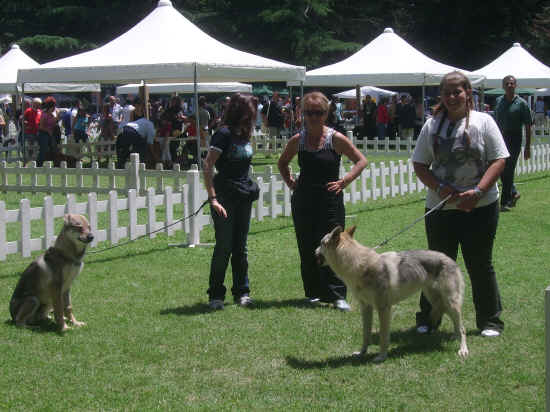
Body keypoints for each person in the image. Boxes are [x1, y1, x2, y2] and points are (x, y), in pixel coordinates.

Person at [412, 71, 509, 338]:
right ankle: (429, 320)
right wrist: (441, 188)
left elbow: (499, 160)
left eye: (458, 91)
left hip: (481, 206)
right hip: (442, 208)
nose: (453, 96)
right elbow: (419, 164)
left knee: (480, 264)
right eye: (447, 92)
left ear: (468, 93)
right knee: (435, 266)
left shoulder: (484, 121)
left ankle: (490, 321)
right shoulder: (431, 126)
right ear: (441, 97)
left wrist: (478, 191)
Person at [278, 91, 367, 310]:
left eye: (318, 113)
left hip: (329, 201)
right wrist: (290, 182)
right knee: (306, 245)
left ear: (326, 113)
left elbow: (361, 160)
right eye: (309, 113)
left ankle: (337, 295)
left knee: (334, 247)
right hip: (304, 200)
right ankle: (313, 293)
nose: (314, 117)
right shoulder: (297, 140)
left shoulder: (335, 138)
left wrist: (344, 181)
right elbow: (282, 163)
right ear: (302, 114)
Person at [203, 93, 259, 310]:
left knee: (241, 247)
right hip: (224, 196)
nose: (254, 114)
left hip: (243, 195)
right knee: (224, 247)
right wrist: (213, 198)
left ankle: (242, 292)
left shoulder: (245, 134)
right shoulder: (223, 134)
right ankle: (216, 295)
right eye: (251, 109)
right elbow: (208, 165)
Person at [494, 75, 532, 211]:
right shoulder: (498, 101)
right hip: (499, 138)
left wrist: (527, 147)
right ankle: (514, 192)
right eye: (507, 83)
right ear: (503, 86)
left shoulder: (522, 103)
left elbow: (528, 126)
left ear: (515, 85)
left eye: (512, 83)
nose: (509, 85)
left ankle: (504, 202)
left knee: (508, 169)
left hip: (514, 138)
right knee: (499, 168)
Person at [115, 99, 156, 168]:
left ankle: (122, 164)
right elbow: (150, 143)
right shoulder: (150, 125)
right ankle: (141, 164)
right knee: (142, 146)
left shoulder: (145, 120)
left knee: (124, 149)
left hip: (124, 130)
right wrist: (154, 156)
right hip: (133, 132)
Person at [37, 96, 58, 167]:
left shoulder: (51, 115)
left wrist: (58, 116)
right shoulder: (44, 114)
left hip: (50, 134)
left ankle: (55, 164)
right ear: (51, 107)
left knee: (54, 148)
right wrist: (48, 131)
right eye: (54, 106)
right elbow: (41, 126)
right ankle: (38, 165)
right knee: (43, 149)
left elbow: (53, 123)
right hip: (43, 134)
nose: (55, 108)